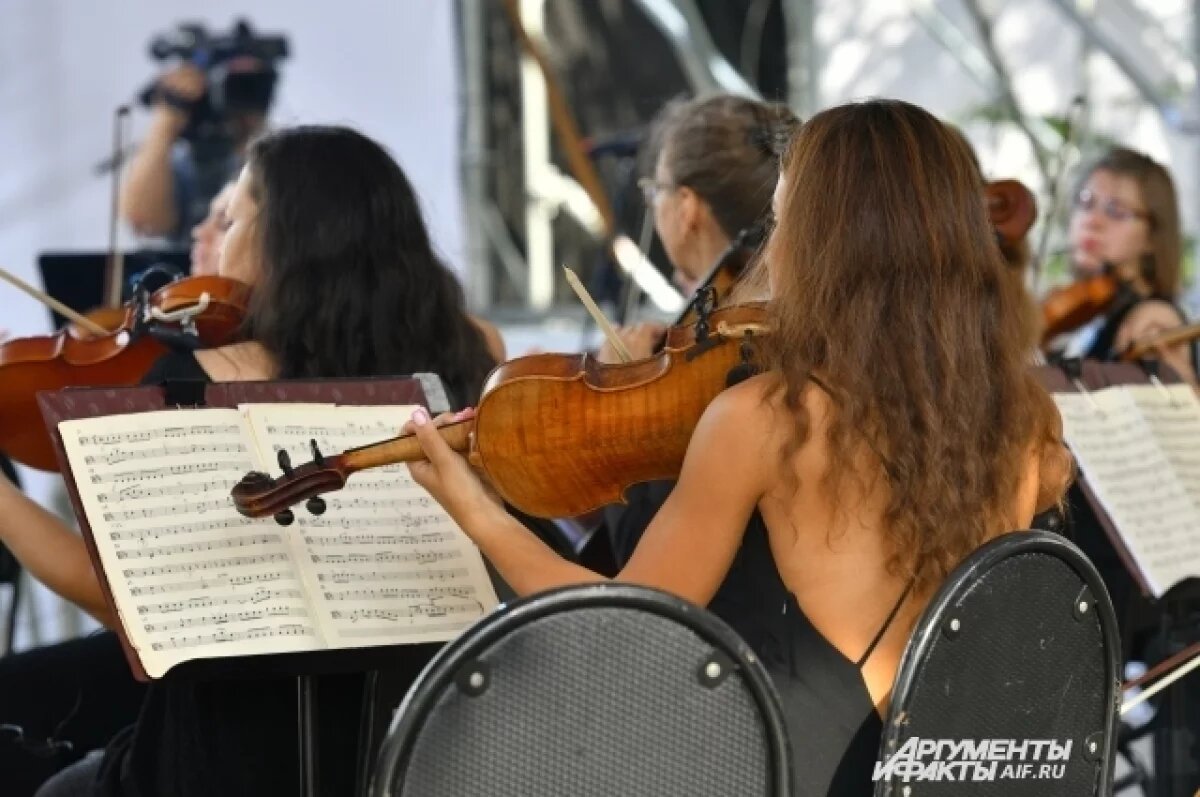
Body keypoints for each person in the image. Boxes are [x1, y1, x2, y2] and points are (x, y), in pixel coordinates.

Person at [400, 99, 1073, 796]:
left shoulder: (765, 419)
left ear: (827, 243)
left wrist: (478, 512)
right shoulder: (1023, 420)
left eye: (784, 220)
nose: (770, 248)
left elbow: (626, 627)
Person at [28, 125, 499, 797]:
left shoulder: (190, 377)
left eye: (230, 217)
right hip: (420, 739)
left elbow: (111, 594)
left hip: (223, 757)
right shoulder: (468, 356)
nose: (212, 239)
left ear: (283, 240)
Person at [597, 94, 799, 364]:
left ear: (687, 207)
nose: (653, 205)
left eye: (656, 191)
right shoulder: (794, 319)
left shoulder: (725, 351)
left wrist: (621, 386)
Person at [1058, 147, 1195, 384]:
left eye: (1116, 211)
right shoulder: (1088, 311)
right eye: (1086, 202)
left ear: (1153, 237)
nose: (1092, 220)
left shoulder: (1153, 318)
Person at [120, 60, 271, 245]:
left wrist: (250, 129)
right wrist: (168, 117)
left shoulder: (271, 160)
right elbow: (144, 220)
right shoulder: (179, 161)